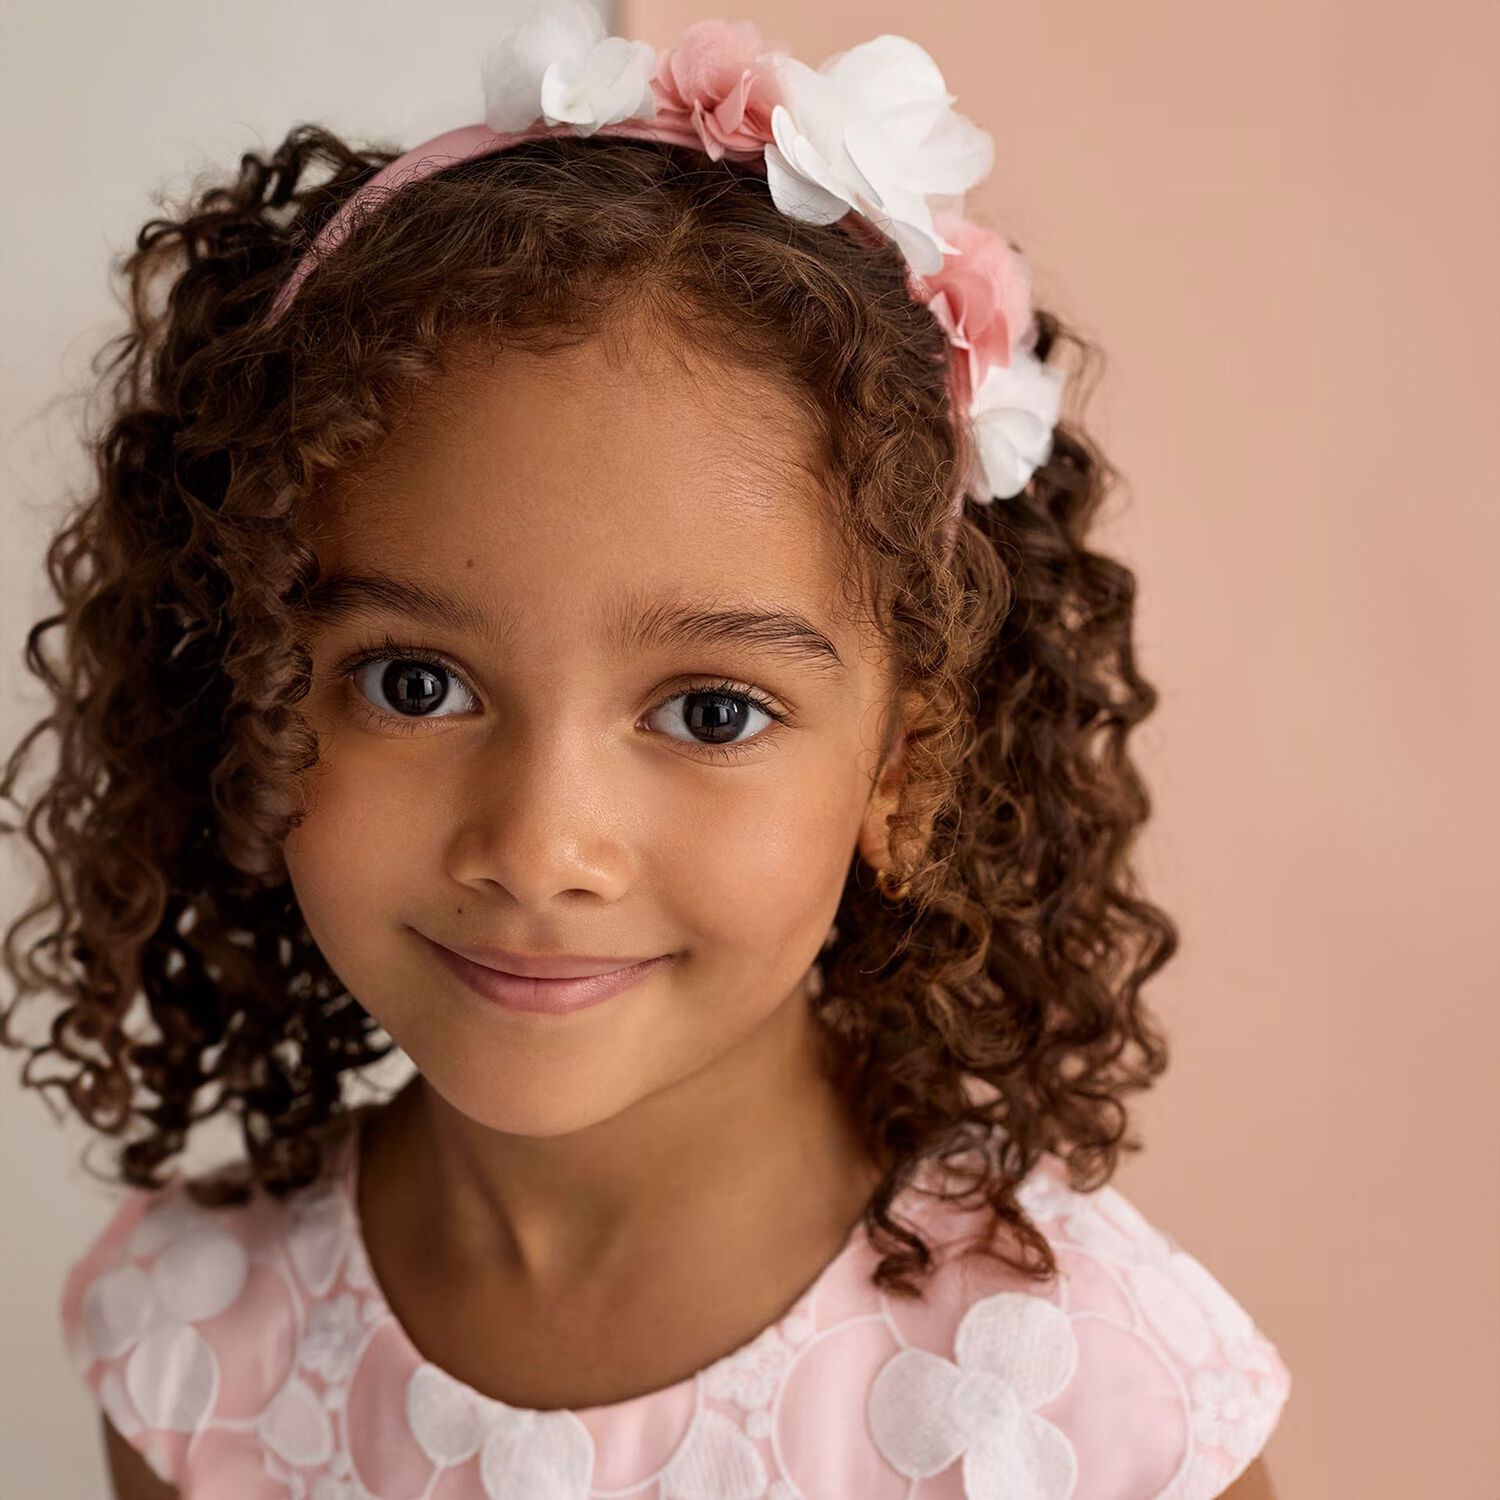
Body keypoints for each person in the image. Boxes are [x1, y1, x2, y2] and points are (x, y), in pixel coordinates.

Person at [4, 4, 1290, 1496]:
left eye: (712, 712)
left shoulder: (1078, 1399)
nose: (541, 846)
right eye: (415, 684)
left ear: (905, 764)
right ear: (251, 690)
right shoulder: (199, 1353)